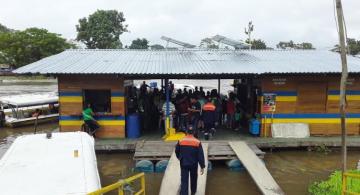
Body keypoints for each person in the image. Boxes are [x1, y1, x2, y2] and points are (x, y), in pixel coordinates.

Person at [175, 127, 205, 195]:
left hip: (184, 163)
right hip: (194, 164)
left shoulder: (181, 141)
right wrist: (202, 166)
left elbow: (177, 151)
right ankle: (193, 192)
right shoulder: (197, 142)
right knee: (194, 179)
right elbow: (200, 155)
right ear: (193, 132)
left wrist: (180, 158)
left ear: (186, 132)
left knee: (184, 180)